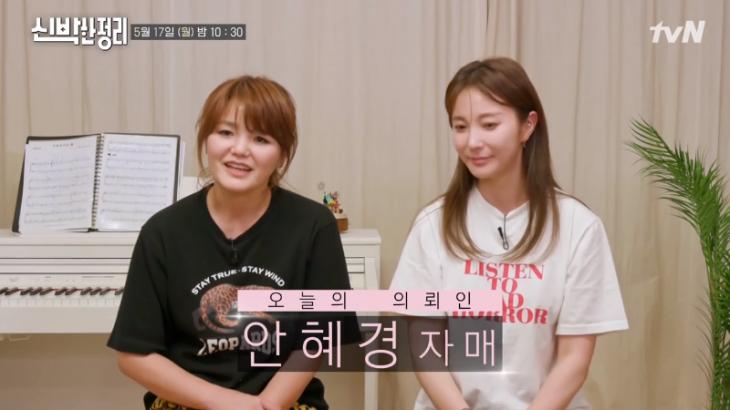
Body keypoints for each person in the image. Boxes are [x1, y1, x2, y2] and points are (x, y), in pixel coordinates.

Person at [389, 57, 628, 409]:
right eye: (460, 126)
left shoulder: (578, 227)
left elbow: (574, 359)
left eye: (489, 124)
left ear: (527, 126)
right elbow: (425, 347)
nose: (472, 141)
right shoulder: (432, 225)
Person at [108, 75, 358, 410]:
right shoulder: (162, 231)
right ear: (206, 139)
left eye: (261, 138)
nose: (239, 150)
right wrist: (225, 403)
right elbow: (134, 354)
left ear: (282, 154)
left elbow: (318, 339)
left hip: (283, 403)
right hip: (187, 403)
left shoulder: (314, 225)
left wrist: (267, 405)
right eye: (225, 133)